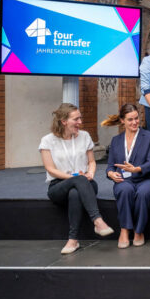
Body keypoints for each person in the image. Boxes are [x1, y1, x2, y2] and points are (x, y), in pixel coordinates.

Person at [40, 103, 114, 254]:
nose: (80, 122)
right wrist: (74, 178)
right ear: (64, 121)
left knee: (75, 192)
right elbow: (50, 169)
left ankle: (73, 240)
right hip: (58, 186)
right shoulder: (47, 140)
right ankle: (98, 221)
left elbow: (92, 162)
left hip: (86, 183)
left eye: (80, 118)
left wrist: (91, 174)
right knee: (77, 182)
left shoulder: (85, 136)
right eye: (76, 119)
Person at [102, 104, 150, 249]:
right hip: (124, 180)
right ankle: (125, 230)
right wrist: (110, 173)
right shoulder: (116, 140)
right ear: (122, 121)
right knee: (124, 190)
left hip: (145, 179)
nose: (134, 122)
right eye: (130, 119)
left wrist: (137, 169)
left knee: (143, 193)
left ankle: (139, 231)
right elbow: (110, 165)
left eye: (136, 118)